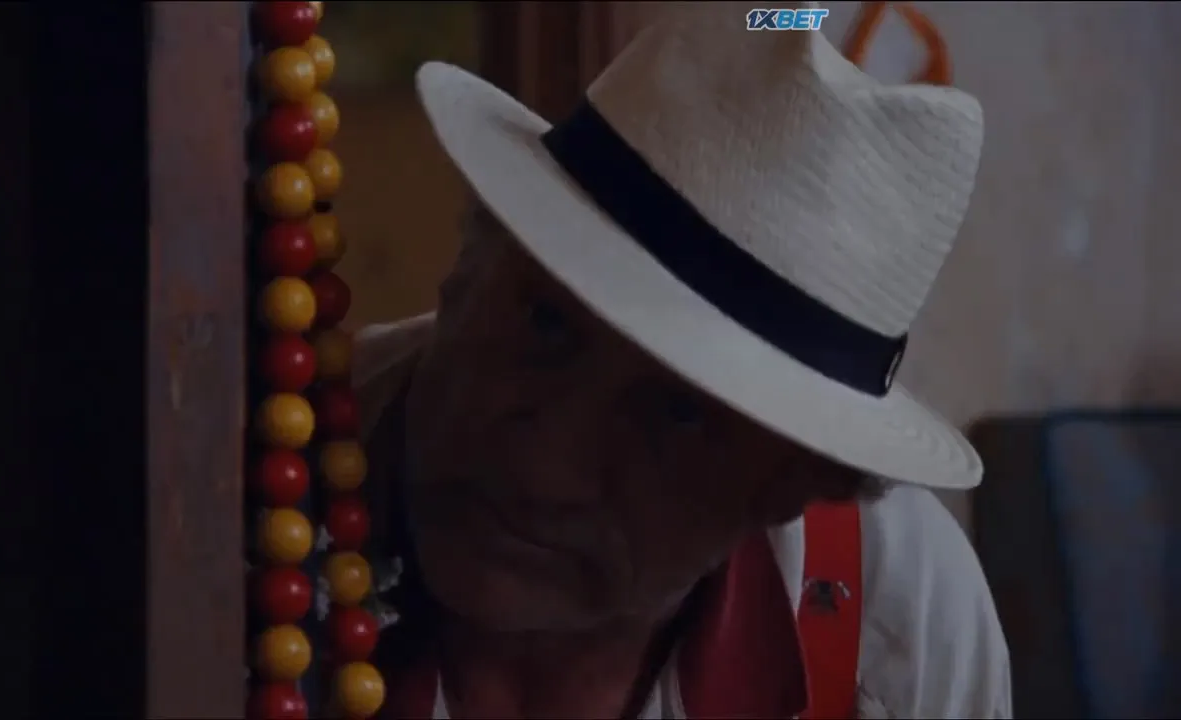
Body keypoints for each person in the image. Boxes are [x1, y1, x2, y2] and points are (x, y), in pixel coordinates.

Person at [351, 3, 1011, 718]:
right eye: (545, 325)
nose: (544, 466)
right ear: (466, 267)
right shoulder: (277, 466)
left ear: (796, 482)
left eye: (678, 414)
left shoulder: (895, 614)